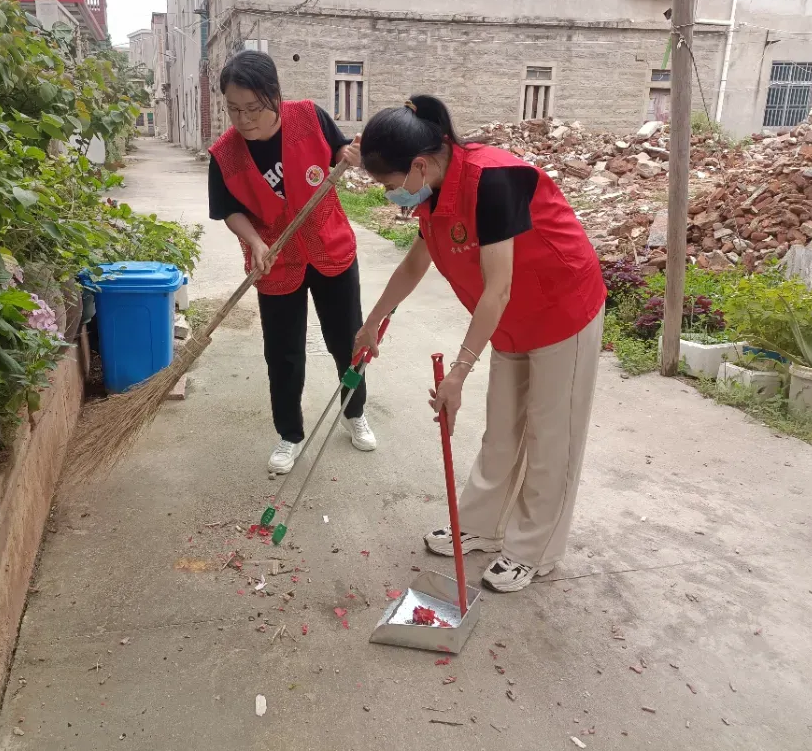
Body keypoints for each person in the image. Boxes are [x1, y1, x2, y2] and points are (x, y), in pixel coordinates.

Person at [353, 95, 606, 593]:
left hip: (561, 309)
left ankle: (535, 547)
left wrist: (458, 373)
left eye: (388, 185)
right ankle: (481, 525)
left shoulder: (492, 180)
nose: (390, 196)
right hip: (509, 321)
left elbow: (498, 287)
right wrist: (371, 323)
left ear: (418, 165)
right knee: (502, 426)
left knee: (551, 435)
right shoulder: (432, 192)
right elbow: (413, 266)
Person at [208, 50, 377, 474]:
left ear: (275, 97)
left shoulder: (308, 116)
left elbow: (340, 149)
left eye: (252, 108)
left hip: (330, 247)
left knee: (347, 340)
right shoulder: (225, 154)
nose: (243, 120)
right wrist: (253, 243)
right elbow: (229, 209)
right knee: (283, 353)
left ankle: (354, 413)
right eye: (233, 109)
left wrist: (347, 155)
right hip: (275, 259)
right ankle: (289, 434)